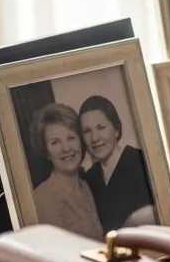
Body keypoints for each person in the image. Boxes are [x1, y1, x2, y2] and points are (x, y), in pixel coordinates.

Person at [28, 103, 104, 240]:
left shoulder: (87, 187)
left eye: (71, 137)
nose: (66, 148)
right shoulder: (40, 200)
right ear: (46, 153)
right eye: (55, 142)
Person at [79, 94, 154, 232]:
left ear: (116, 129)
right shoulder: (89, 179)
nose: (94, 138)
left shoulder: (143, 162)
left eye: (101, 127)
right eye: (87, 131)